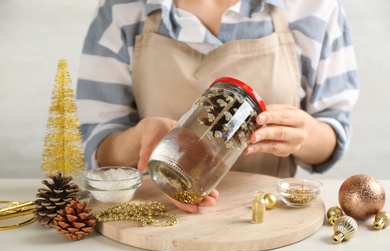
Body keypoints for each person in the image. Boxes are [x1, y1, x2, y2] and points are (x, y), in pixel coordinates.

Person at [76, 0, 359, 213]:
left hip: (269, 217)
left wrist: (305, 135)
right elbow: (95, 144)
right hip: (160, 213)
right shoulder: (120, 9)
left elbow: (333, 136)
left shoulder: (315, 7)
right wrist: (135, 140)